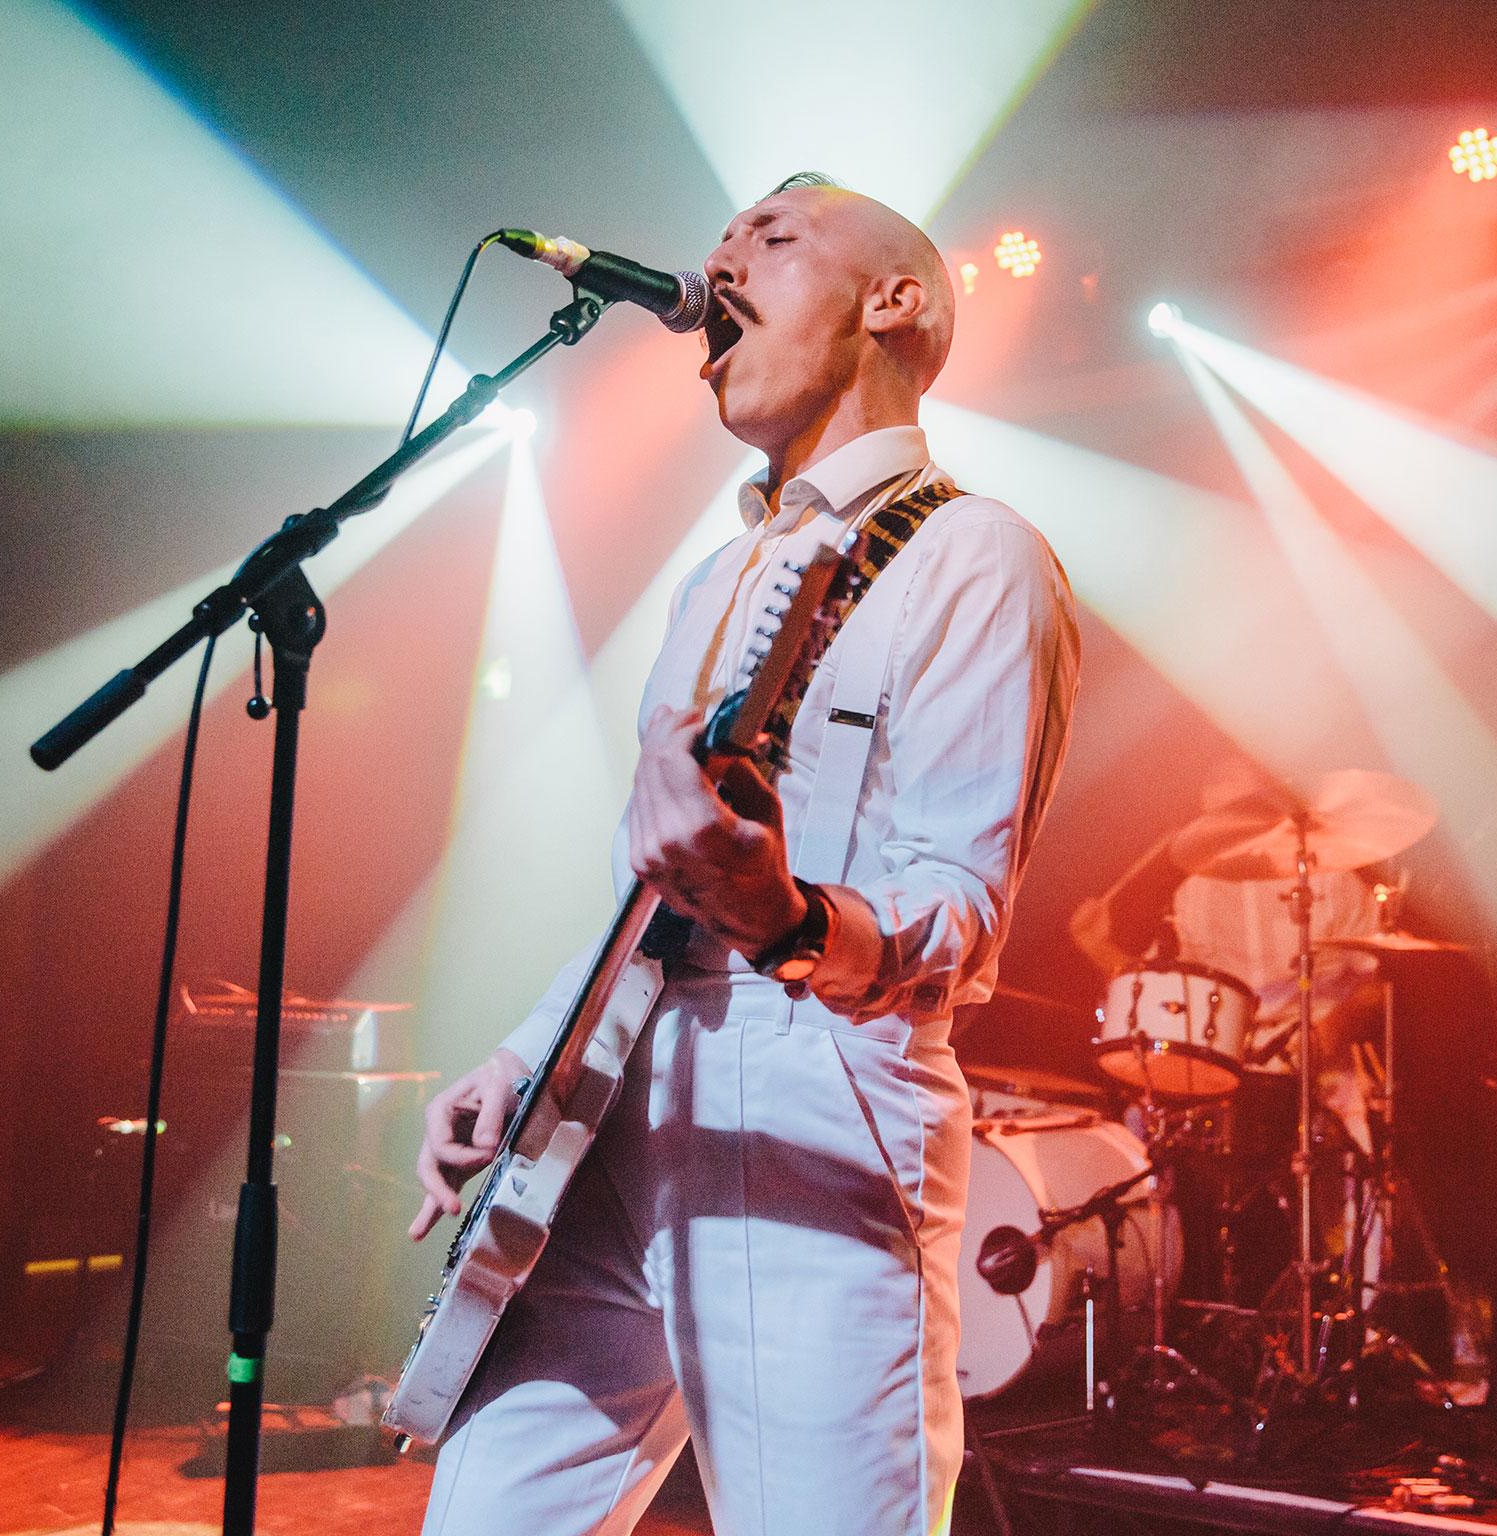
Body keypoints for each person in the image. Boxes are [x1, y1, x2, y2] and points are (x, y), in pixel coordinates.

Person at [408, 174, 1080, 1536]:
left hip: (816, 1104)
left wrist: (782, 916)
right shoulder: (716, 583)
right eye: (714, 250)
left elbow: (957, 913)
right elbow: (642, 896)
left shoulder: (976, 558)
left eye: (768, 242)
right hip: (621, 1103)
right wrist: (523, 1057)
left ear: (892, 302)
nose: (716, 275)